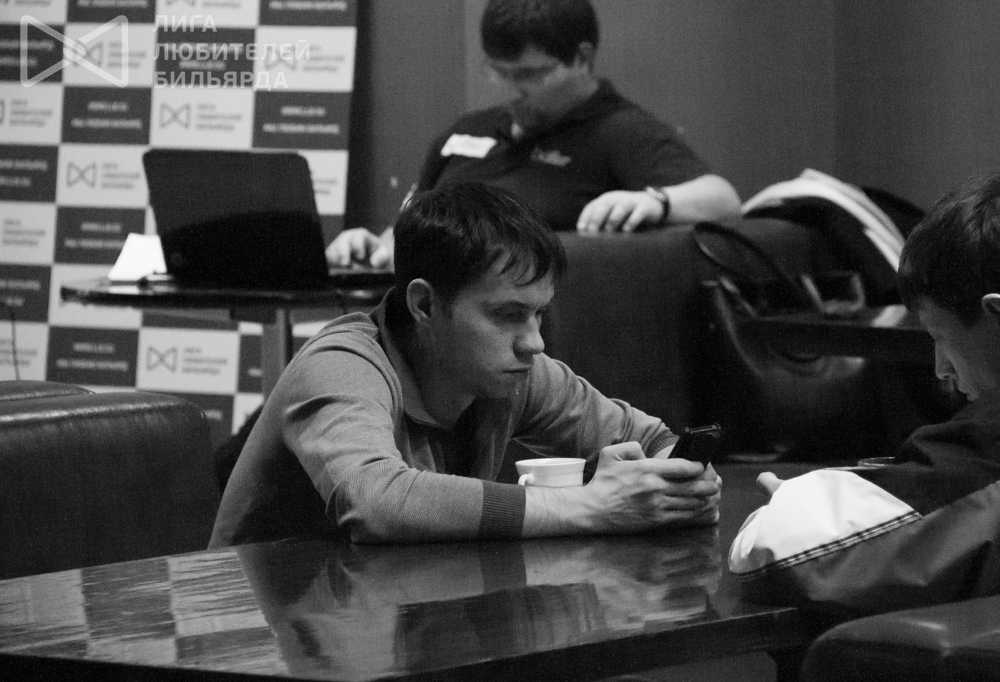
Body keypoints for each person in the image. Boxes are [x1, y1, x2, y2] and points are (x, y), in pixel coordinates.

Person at [210, 182, 721, 547]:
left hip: (386, 624)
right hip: (257, 642)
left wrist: (682, 481)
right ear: (425, 304)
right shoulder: (341, 365)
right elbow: (377, 502)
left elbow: (648, 438)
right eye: (507, 315)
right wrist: (591, 506)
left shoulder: (516, 372)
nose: (535, 342)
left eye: (539, 313)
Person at [728, 172, 1000, 617]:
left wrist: (798, 502)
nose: (941, 368)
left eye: (941, 336)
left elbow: (776, 552)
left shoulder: (985, 456)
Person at [327, 0, 740, 269]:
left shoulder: (620, 130)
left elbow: (723, 199)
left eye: (529, 74)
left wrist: (656, 201)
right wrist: (377, 247)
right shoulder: (465, 130)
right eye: (498, 71)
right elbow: (413, 225)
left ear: (581, 58)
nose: (511, 88)